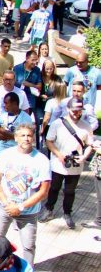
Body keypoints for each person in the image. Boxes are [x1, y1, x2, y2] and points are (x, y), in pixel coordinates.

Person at [0, 124, 50, 265]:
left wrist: (20, 207)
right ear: (16, 138)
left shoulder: (42, 160)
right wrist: (7, 203)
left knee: (29, 246)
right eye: (22, 135)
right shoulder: (5, 155)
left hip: (28, 212)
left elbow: (43, 192)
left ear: (33, 138)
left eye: (29, 135)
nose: (26, 139)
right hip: (4, 208)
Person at [41, 98, 94, 229]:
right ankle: (49, 209)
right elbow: (49, 141)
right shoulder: (57, 124)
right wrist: (59, 155)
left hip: (75, 164)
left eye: (79, 110)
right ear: (68, 109)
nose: (76, 113)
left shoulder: (86, 126)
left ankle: (67, 213)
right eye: (74, 110)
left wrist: (84, 156)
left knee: (70, 191)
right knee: (54, 188)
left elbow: (90, 144)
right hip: (58, 163)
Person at [0, 93, 33, 162]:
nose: (4, 105)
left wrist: (2, 131)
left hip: (15, 156)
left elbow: (23, 137)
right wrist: (8, 136)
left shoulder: (26, 118)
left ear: (14, 103)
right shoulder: (1, 116)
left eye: (6, 103)